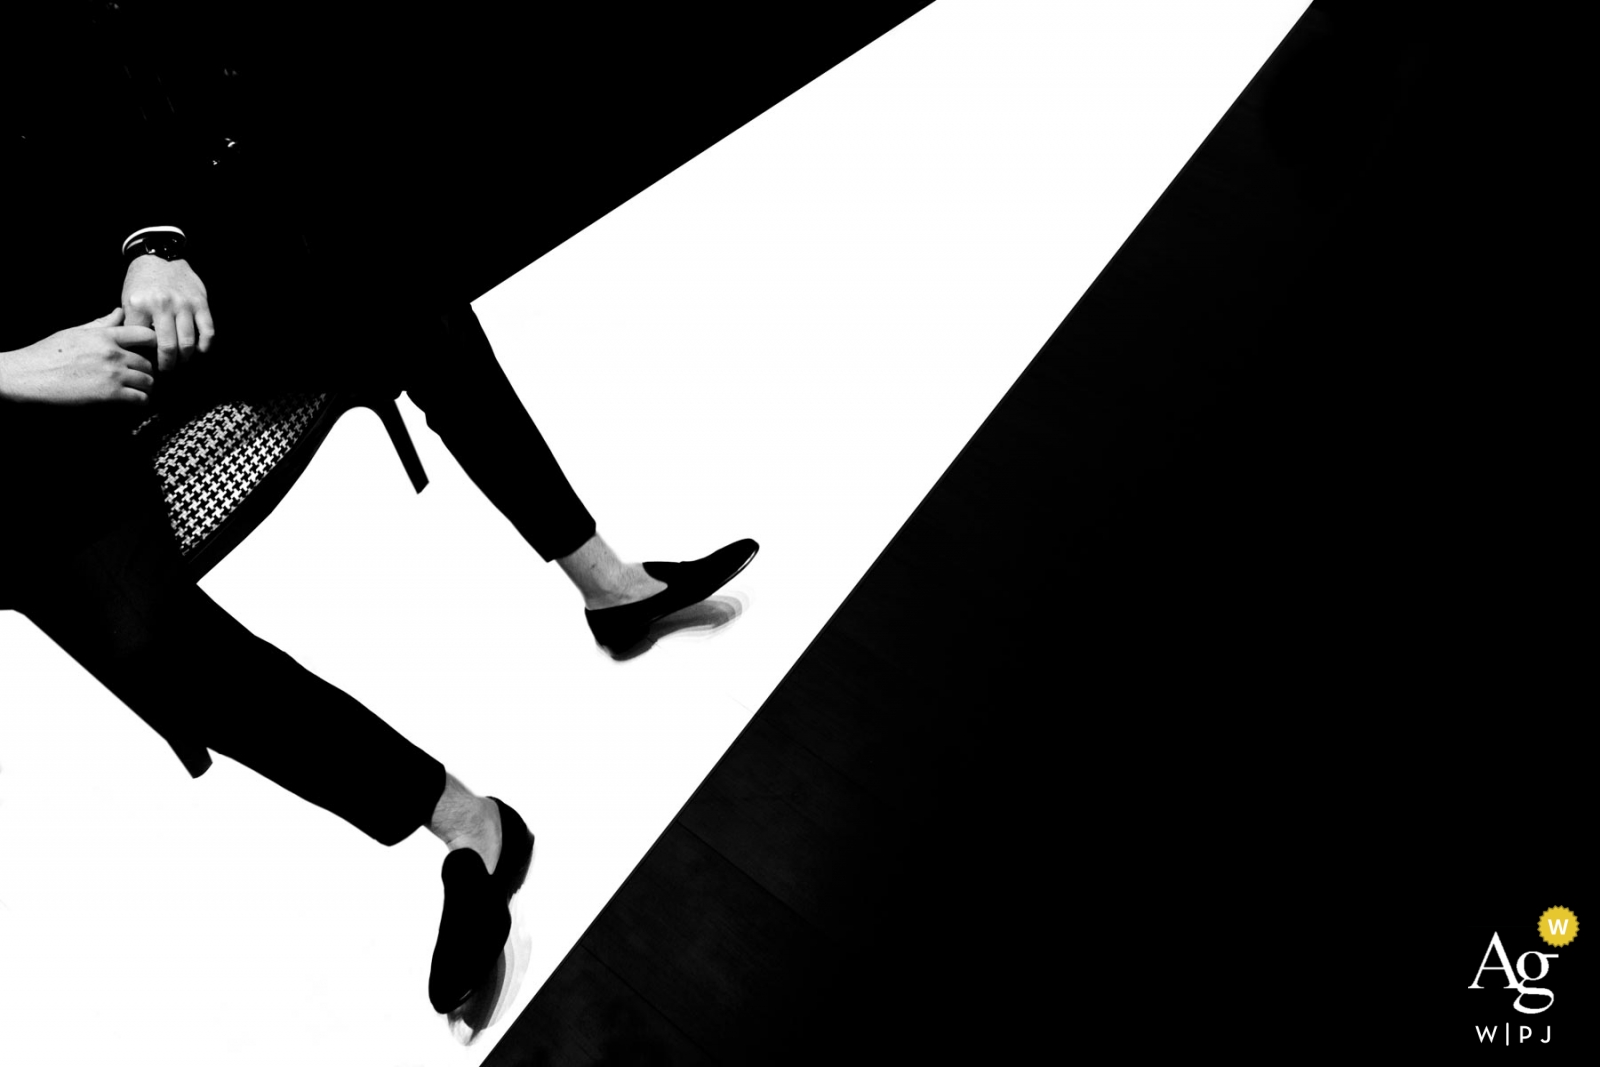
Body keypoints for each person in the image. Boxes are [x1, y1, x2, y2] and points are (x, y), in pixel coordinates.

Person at [0, 1, 757, 1028]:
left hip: (118, 301)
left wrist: (151, 240)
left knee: (392, 280)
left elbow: (95, 87)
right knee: (149, 638)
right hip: (16, 431)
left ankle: (611, 586)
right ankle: (469, 825)